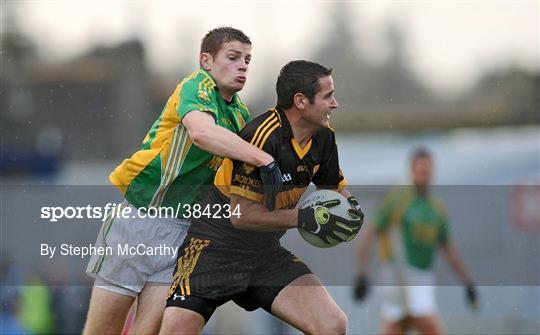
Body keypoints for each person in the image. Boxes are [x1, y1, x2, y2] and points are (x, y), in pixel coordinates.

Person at [83, 27, 282, 334]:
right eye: (233, 57)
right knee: (102, 331)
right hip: (139, 218)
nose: (243, 65)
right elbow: (201, 133)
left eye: (247, 59)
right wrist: (263, 159)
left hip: (181, 233)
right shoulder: (196, 85)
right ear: (206, 60)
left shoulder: (240, 113)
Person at [160, 60, 364, 335]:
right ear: (301, 101)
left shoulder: (323, 137)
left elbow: (333, 187)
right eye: (328, 96)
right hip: (214, 248)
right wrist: (304, 218)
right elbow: (241, 216)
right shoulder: (262, 136)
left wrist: (350, 208)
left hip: (264, 253)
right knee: (175, 331)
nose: (335, 103)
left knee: (332, 325)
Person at [353, 148, 478, 335]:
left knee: (397, 324)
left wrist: (467, 282)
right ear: (411, 171)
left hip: (423, 276)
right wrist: (362, 275)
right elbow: (370, 234)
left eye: (426, 172)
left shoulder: (436, 209)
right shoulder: (397, 199)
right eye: (419, 171)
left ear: (433, 172)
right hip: (397, 273)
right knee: (425, 318)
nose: (422, 177)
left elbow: (447, 248)